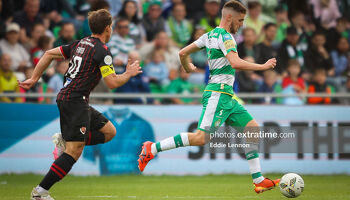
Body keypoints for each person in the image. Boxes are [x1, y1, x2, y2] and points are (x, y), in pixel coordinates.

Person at [137, 0, 279, 194]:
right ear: (229, 17)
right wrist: (262, 67)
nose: (242, 24)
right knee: (200, 138)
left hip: (227, 96)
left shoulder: (209, 35)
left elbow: (182, 52)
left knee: (252, 128)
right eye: (240, 20)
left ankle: (259, 180)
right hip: (218, 94)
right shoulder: (226, 36)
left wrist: (187, 66)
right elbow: (235, 62)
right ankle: (151, 149)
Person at [18, 9, 141, 200]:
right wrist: (129, 73)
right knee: (74, 151)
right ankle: (40, 192)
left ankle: (66, 140)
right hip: (75, 101)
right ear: (108, 28)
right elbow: (112, 83)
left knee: (109, 132)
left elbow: (49, 53)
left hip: (73, 99)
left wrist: (34, 78)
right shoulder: (102, 50)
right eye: (112, 27)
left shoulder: (80, 43)